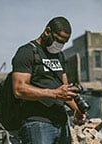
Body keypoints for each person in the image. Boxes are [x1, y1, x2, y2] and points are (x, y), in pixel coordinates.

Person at [10, 16, 86, 144]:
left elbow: (65, 90)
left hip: (61, 123)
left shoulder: (59, 56)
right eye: (58, 40)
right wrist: (55, 93)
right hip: (38, 123)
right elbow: (19, 89)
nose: (60, 45)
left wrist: (76, 110)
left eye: (64, 43)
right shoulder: (27, 52)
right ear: (47, 32)